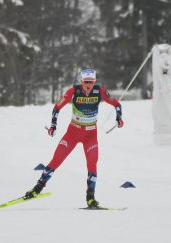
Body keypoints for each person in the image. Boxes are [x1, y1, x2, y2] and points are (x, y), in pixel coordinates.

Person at [24, 69, 124, 208]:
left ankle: (91, 198)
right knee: (56, 159)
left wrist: (119, 118)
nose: (88, 85)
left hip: (90, 135)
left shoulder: (100, 92)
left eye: (91, 82)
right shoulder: (73, 91)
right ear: (81, 81)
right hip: (73, 133)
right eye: (85, 82)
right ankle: (37, 189)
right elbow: (57, 108)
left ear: (94, 82)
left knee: (92, 163)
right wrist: (53, 126)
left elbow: (117, 105)